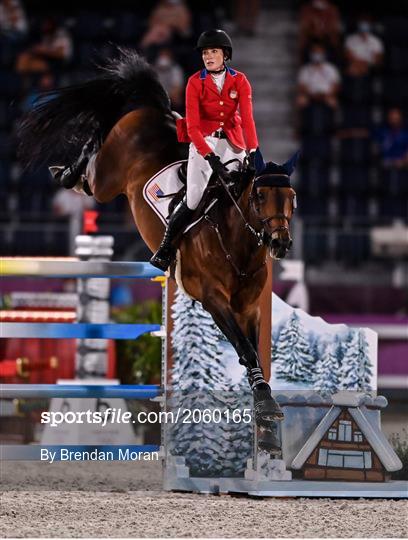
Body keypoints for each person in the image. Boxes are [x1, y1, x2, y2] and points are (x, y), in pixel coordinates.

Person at [150, 29, 259, 271]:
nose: (209, 56)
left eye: (214, 52)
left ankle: (260, 241)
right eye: (206, 53)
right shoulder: (194, 82)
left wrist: (253, 152)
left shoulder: (240, 80)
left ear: (225, 55)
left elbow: (248, 119)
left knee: (248, 190)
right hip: (204, 142)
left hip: (232, 141)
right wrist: (210, 157)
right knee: (194, 198)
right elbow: (193, 127)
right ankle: (166, 247)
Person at [296, 42, 341, 110]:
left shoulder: (331, 68)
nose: (317, 55)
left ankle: (331, 119)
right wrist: (311, 95)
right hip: (310, 95)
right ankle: (305, 119)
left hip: (326, 95)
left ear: (324, 54)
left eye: (319, 52)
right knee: (300, 100)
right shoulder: (305, 69)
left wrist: (327, 95)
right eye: (315, 52)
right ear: (311, 54)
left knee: (334, 102)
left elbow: (336, 85)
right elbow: (302, 86)